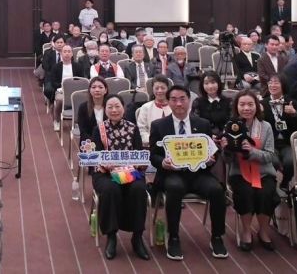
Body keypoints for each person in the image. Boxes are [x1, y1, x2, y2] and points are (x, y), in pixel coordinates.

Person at [149, 85, 228, 261]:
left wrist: (210, 159)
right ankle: (173, 237)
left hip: (199, 174)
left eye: (182, 99)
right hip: (172, 174)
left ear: (189, 100)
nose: (178, 103)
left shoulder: (203, 124)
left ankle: (217, 236)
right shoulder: (159, 125)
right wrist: (163, 162)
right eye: (174, 99)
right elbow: (153, 155)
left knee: (217, 190)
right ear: (168, 102)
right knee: (175, 188)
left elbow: (212, 151)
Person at [86, 94, 150, 260]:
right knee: (110, 188)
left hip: (129, 170)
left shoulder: (133, 128)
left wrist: (139, 164)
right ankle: (111, 236)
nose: (114, 110)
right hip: (105, 173)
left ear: (123, 108)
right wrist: (105, 164)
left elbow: (138, 153)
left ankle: (137, 237)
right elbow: (95, 156)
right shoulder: (99, 129)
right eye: (110, 107)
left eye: (117, 106)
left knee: (139, 188)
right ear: (105, 109)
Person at [225, 90, 278, 251]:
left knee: (265, 193)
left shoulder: (266, 126)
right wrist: (226, 149)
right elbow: (227, 160)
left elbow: (270, 155)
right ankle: (246, 231)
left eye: (250, 104)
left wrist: (252, 151)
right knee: (245, 192)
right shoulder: (230, 126)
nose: (246, 108)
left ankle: (263, 230)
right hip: (239, 173)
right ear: (236, 107)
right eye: (242, 104)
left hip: (264, 172)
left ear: (257, 106)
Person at [261, 75, 297, 190]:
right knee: (272, 161)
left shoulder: (291, 102)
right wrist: (260, 114)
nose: (272, 85)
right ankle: (272, 184)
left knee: (290, 162)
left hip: (287, 142)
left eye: (276, 82)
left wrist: (294, 114)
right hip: (270, 143)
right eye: (270, 82)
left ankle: (285, 182)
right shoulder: (262, 103)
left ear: (283, 85)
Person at [136, 75, 173, 144]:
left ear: (168, 89)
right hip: (151, 144)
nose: (160, 91)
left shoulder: (174, 106)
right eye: (156, 88)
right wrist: (153, 141)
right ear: (152, 89)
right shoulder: (145, 107)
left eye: (163, 88)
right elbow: (141, 130)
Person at [191, 71, 230, 135]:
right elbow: (196, 123)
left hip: (225, 137)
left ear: (218, 83)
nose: (210, 86)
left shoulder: (228, 101)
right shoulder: (197, 102)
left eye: (213, 82)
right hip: (205, 137)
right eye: (206, 83)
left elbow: (231, 122)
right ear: (202, 85)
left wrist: (224, 136)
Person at [76, 77, 109, 143]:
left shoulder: (110, 106)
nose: (97, 90)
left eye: (100, 87)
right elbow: (83, 131)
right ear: (90, 90)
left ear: (105, 90)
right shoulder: (83, 107)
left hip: (109, 141)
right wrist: (94, 143)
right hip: (89, 142)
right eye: (93, 87)